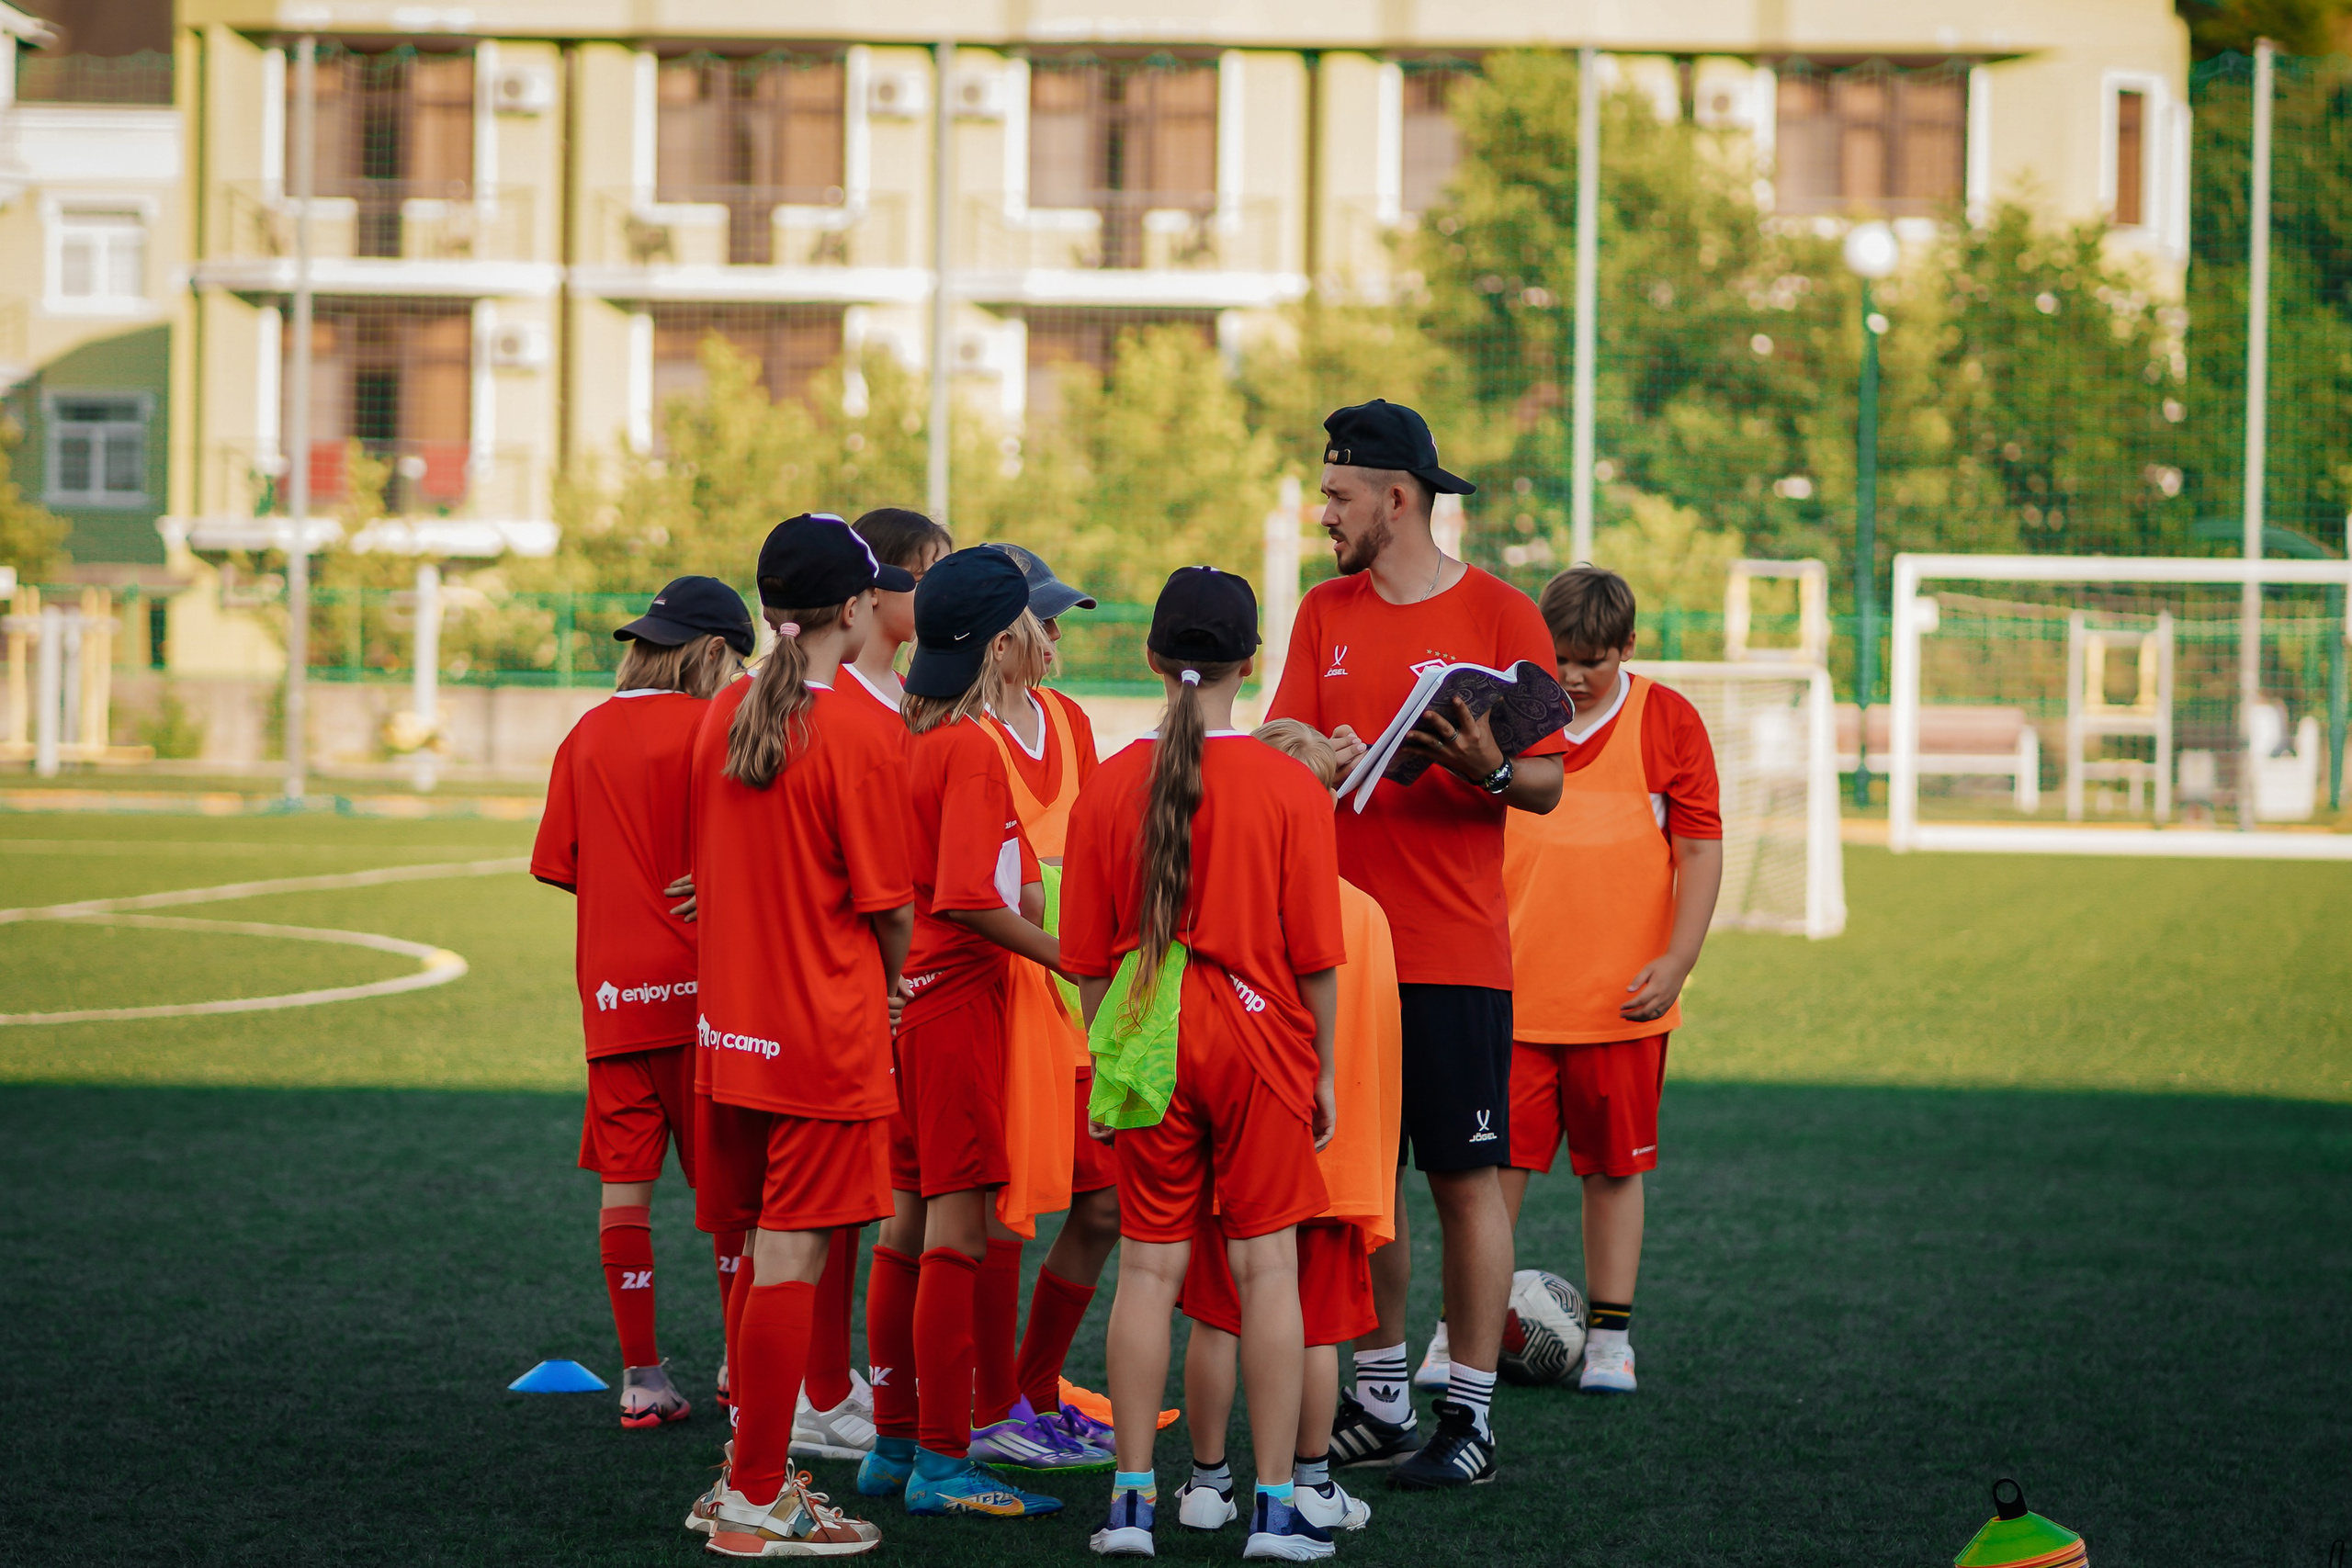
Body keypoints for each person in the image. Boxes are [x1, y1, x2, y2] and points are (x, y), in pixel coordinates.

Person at [1266, 399, 1566, 1490]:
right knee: (1361, 1186)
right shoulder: (1320, 610)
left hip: (1453, 951)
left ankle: (1471, 1419)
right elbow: (1276, 743)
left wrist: (1485, 762)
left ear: (1399, 499)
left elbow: (1546, 781)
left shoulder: (1500, 614)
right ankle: (1383, 1394)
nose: (1324, 513)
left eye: (1339, 496)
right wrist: (1319, 752)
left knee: (1461, 1180)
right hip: (1339, 950)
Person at [1061, 567, 1347, 1561]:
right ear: (1251, 663)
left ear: (1151, 657)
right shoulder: (1287, 783)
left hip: (1147, 1036)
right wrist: (1325, 1074)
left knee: (1146, 1270)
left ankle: (1130, 1509)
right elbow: (1316, 957)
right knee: (1268, 1271)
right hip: (1257, 1038)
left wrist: (1110, 1063)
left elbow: (1087, 962)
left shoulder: (1104, 782)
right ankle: (1274, 1511)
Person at [681, 513, 912, 1557]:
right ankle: (757, 1496)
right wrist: (900, 982)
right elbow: (889, 907)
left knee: (761, 1254)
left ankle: (745, 1477)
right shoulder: (863, 732)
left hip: (729, 1032)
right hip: (824, 1034)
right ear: (856, 609)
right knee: (790, 1259)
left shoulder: (726, 709)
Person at [875, 546, 1074, 1515]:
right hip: (954, 1009)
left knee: (905, 1228)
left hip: (909, 1010)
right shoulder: (966, 750)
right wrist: (1065, 952)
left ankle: (892, 1446)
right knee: (955, 1235)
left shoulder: (908, 738)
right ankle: (942, 1464)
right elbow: (965, 898)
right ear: (1001, 641)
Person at [1170, 718, 1401, 1542]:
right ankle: (1309, 1483)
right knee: (1311, 1324)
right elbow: (1373, 1045)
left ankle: (1205, 1482)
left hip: (1226, 1142)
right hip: (1327, 1153)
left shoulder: (1214, 900)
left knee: (1218, 1311)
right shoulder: (1361, 913)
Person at [531, 575, 752, 1432]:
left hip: (615, 998)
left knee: (625, 1194)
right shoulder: (721, 726)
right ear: (711, 653)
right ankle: (741, 1364)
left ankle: (643, 1376)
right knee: (732, 1200)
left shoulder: (586, 733)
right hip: (709, 994)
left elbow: (561, 862)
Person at [1500, 565, 1723, 1395]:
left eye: (1591, 657)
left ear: (1626, 647)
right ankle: (1462, 1332)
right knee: (1492, 1175)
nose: (1571, 672)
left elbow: (1700, 849)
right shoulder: (1514, 714)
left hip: (1623, 1002)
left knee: (1616, 1171)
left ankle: (1609, 1340)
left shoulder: (1668, 720)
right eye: (1558, 654)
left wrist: (1679, 957)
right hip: (1513, 997)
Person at [972, 543, 1127, 1453]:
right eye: (1045, 616)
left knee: (1103, 1202)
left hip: (1077, 988)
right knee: (1000, 1208)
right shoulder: (957, 731)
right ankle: (990, 1407)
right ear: (999, 638)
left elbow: (1099, 845)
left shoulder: (1066, 720)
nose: (1060, 630)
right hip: (998, 989)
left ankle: (1029, 1389)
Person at [834, 508, 954, 1472]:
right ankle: (804, 1393)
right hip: (852, 992)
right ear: (876, 591)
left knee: (865, 1203)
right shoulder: (823, 705)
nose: (940, 597)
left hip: (890, 992)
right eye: (930, 578)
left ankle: (827, 1390)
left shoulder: (906, 706)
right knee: (817, 1210)